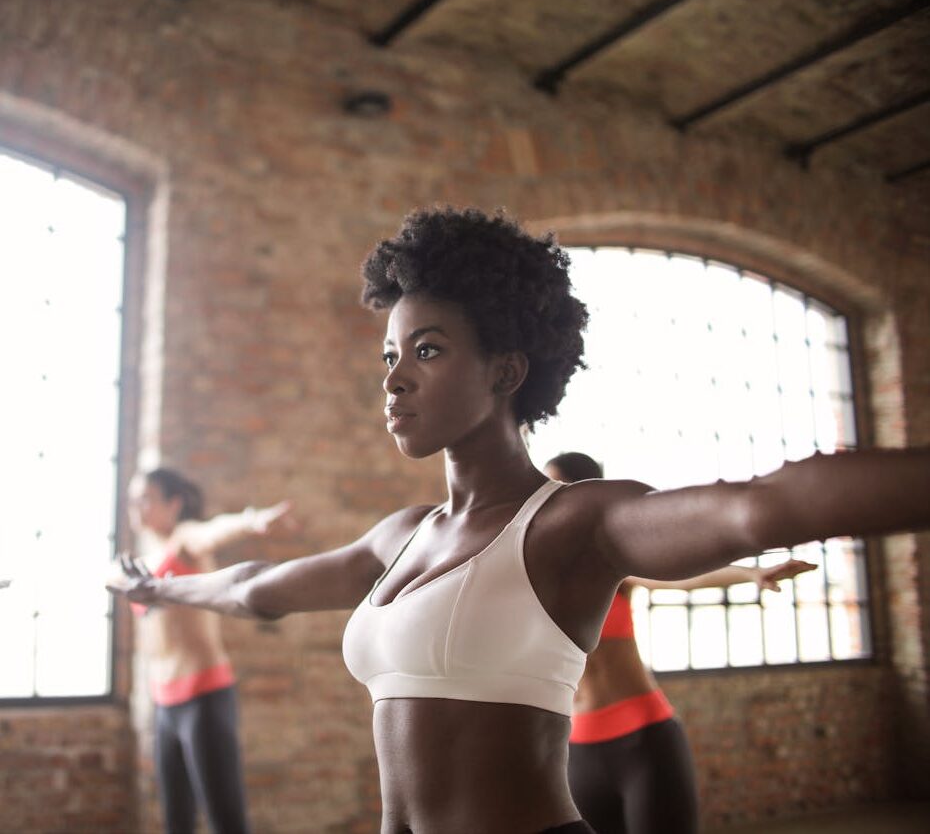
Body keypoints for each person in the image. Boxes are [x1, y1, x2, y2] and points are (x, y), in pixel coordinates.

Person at [109, 207, 930, 834]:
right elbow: (258, 586)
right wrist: (157, 585)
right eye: (389, 356)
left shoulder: (574, 523)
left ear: (505, 369)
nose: (395, 380)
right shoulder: (402, 536)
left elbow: (761, 507)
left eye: (427, 351)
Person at [544, 452, 816, 834]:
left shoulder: (612, 566)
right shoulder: (540, 574)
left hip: (643, 742)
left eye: (558, 486)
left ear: (583, 493)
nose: (549, 497)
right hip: (578, 752)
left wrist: (748, 573)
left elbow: (680, 575)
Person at [124, 467, 295, 834]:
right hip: (164, 704)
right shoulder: (143, 557)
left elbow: (211, 531)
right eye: (132, 500)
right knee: (176, 823)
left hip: (203, 698)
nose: (137, 508)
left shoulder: (183, 540)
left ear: (174, 504)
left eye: (146, 500)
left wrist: (252, 520)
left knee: (226, 822)